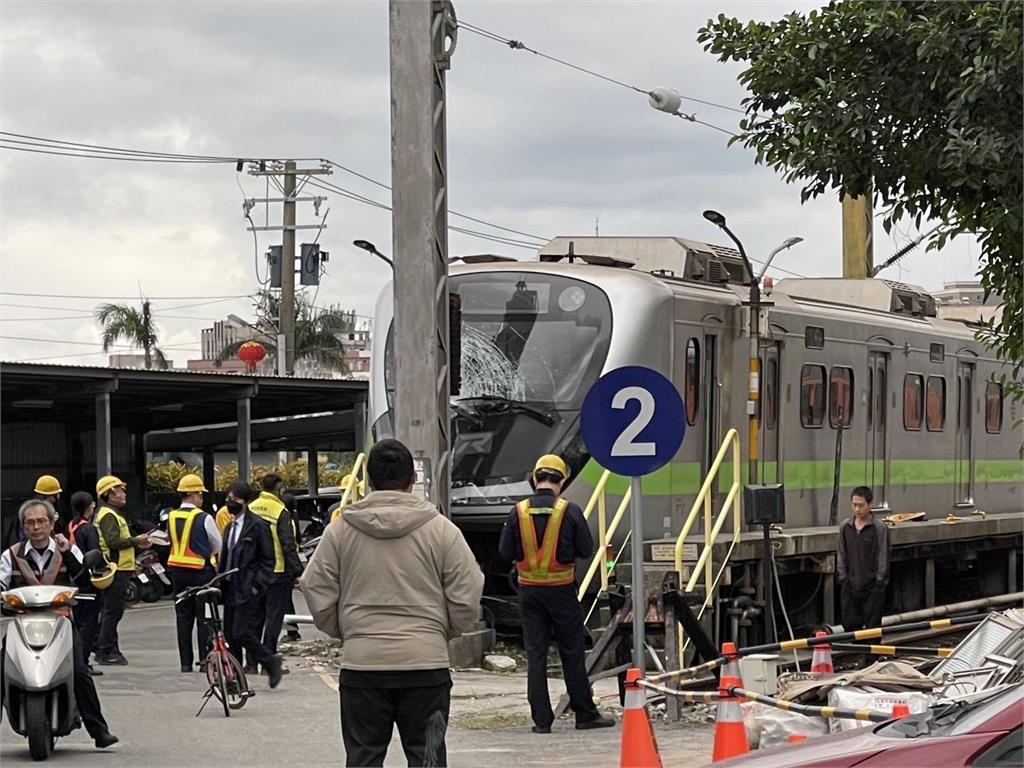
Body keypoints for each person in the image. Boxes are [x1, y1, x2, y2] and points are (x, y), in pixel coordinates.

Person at [302, 439, 484, 768]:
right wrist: (445, 630)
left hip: (363, 668)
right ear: (412, 481)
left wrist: (346, 630)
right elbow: (468, 588)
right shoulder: (442, 530)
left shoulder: (340, 531)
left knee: (364, 758)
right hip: (426, 667)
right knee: (428, 757)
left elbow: (314, 584)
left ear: (368, 480)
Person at [498, 454, 615, 734]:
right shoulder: (570, 511)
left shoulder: (518, 512)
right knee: (572, 653)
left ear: (534, 479)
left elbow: (505, 552)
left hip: (529, 593)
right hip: (562, 592)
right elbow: (586, 549)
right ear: (561, 481)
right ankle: (584, 714)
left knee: (536, 654)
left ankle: (541, 721)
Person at [0, 499, 119, 749]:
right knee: (2, 669)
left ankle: (99, 731)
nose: (36, 527)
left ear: (52, 523)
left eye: (41, 521)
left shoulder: (67, 549)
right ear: (23, 526)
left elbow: (86, 581)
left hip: (61, 621)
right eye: (30, 522)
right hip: (22, 623)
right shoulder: (10, 555)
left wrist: (66, 552)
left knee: (79, 671)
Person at [219, 481, 284, 688]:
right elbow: (226, 556)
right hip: (229, 586)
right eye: (228, 499)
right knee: (230, 635)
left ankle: (269, 661)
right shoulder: (230, 527)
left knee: (241, 632)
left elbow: (268, 559)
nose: (231, 503)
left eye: (235, 500)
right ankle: (234, 679)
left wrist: (257, 585)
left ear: (246, 502)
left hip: (248, 588)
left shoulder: (257, 526)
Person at [167, 474, 223, 673]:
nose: (202, 498)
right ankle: (204, 662)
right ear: (195, 494)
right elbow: (217, 544)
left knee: (183, 618)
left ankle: (185, 663)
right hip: (201, 573)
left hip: (178, 573)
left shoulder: (171, 516)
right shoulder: (204, 517)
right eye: (200, 494)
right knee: (204, 618)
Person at [94, 475, 149, 666]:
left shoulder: (113, 514)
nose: (123, 493)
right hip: (115, 570)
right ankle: (105, 650)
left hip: (122, 568)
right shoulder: (108, 515)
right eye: (119, 490)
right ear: (109, 494)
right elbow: (113, 542)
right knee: (112, 612)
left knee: (113, 611)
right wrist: (136, 540)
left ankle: (108, 647)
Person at [248, 473, 302, 658]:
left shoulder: (251, 508)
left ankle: (252, 661)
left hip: (254, 573)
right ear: (279, 489)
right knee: (273, 617)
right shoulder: (281, 511)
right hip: (277, 572)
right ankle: (267, 656)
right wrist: (297, 572)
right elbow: (288, 543)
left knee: (255, 617)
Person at [837, 486, 891, 632]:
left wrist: (879, 580)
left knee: (872, 626)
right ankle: (856, 652)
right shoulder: (845, 526)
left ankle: (871, 654)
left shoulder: (879, 528)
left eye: (861, 505)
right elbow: (842, 552)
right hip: (850, 583)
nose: (857, 509)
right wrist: (843, 577)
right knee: (849, 623)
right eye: (854, 505)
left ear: (870, 504)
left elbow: (883, 555)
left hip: (872, 585)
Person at [68, 491, 104, 676]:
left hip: (74, 583)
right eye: (91, 505)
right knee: (88, 626)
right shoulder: (88, 529)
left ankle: (78, 661)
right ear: (87, 507)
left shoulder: (71, 527)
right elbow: (95, 554)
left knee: (79, 623)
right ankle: (82, 663)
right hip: (88, 583)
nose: (93, 508)